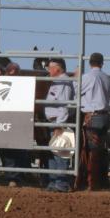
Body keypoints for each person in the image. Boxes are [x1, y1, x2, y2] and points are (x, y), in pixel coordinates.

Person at [77, 52, 110, 191]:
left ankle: (92, 182)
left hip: (92, 116)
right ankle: (101, 180)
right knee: (100, 149)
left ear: (90, 63)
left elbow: (76, 91)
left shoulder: (88, 77)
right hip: (105, 116)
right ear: (102, 63)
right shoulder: (106, 77)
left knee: (90, 149)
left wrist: (75, 77)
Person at [45, 58, 75, 192]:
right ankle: (54, 182)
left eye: (50, 68)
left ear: (58, 68)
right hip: (54, 121)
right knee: (54, 153)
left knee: (60, 152)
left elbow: (64, 105)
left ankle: (61, 183)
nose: (48, 70)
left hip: (58, 122)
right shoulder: (59, 81)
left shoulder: (63, 81)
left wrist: (60, 124)